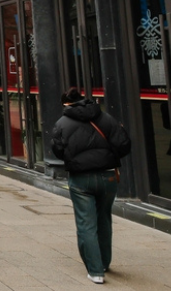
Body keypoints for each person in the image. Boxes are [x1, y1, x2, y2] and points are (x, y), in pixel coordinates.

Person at [51, 88, 131, 285]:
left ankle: (95, 271)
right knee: (104, 218)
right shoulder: (106, 118)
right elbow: (124, 144)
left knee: (86, 223)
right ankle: (104, 262)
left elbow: (57, 150)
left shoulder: (62, 123)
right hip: (108, 175)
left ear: (65, 104)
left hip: (81, 178)